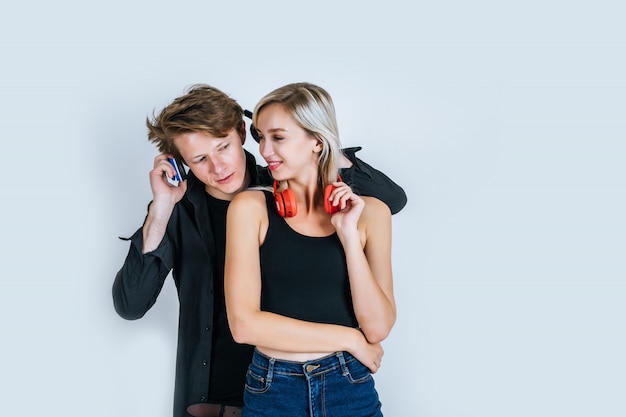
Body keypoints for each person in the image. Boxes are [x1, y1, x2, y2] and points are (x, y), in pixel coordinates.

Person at [112, 84, 406, 417]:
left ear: (241, 133)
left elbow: (391, 201)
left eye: (223, 147)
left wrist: (318, 139)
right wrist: (161, 208)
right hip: (221, 395)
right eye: (199, 159)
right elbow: (130, 305)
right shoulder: (176, 210)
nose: (218, 166)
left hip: (311, 376)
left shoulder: (282, 179)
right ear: (183, 164)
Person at [224, 82, 396, 417]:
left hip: (350, 387)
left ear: (317, 140)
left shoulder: (372, 214)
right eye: (260, 137)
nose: (265, 150)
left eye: (278, 137)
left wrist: (348, 237)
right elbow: (244, 326)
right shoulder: (250, 208)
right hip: (273, 389)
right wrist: (351, 340)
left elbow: (377, 328)